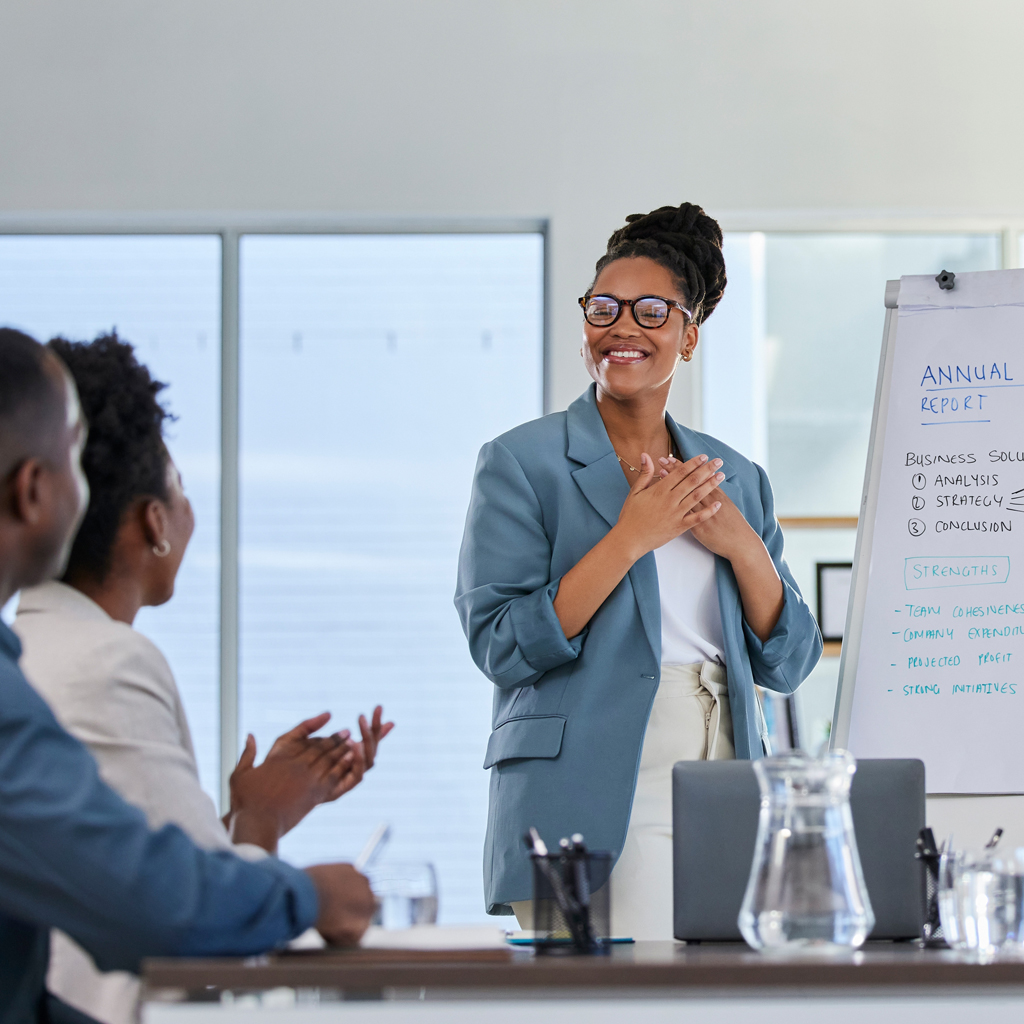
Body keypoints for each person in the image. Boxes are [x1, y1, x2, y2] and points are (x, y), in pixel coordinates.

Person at [455, 203, 822, 939]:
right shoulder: (521, 462)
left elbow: (791, 660)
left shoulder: (735, 477)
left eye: (652, 311)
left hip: (727, 766)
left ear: (688, 337)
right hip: (594, 773)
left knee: (722, 993)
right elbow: (500, 644)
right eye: (605, 308)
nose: (623, 326)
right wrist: (629, 538)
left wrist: (744, 548)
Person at [10, 333, 393, 1024]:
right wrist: (312, 890)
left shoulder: (26, 652)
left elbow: (86, 864)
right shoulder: (106, 663)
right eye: (72, 459)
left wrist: (254, 818)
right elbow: (161, 911)